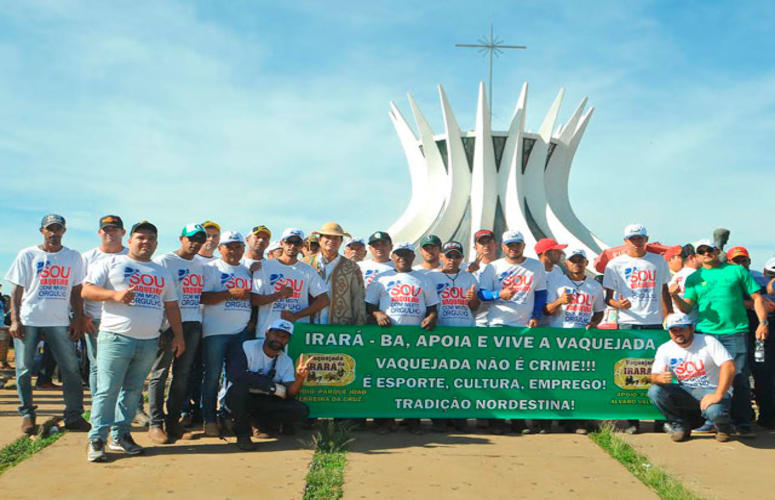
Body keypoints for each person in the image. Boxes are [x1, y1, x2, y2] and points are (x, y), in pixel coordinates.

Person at [82, 221, 185, 462]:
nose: (146, 242)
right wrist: (114, 295)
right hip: (115, 338)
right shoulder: (111, 263)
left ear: (156, 243)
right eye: (140, 237)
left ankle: (120, 436)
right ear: (129, 241)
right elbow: (86, 290)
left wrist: (179, 336)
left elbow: (171, 306)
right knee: (107, 390)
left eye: (151, 238)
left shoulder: (161, 272)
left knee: (132, 392)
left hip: (148, 341)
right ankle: (97, 439)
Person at [670, 239, 768, 437]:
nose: (706, 253)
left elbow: (757, 298)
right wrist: (674, 296)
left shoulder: (736, 271)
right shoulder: (694, 277)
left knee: (739, 377)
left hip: (735, 332)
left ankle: (742, 424)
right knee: (709, 378)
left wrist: (763, 322)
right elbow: (687, 307)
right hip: (706, 334)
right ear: (696, 256)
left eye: (709, 250)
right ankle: (714, 421)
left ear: (716, 251)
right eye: (701, 251)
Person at [4, 214, 89, 435]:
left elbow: (76, 291)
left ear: (64, 231)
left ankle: (74, 415)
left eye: (58, 229)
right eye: (50, 229)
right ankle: (27, 414)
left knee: (71, 368)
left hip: (59, 321)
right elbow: (17, 291)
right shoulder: (27, 254)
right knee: (23, 369)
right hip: (29, 319)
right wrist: (15, 320)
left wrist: (78, 318)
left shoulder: (73, 257)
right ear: (42, 231)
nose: (54, 233)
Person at [603, 224, 671, 434]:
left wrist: (669, 315)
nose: (637, 242)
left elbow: (664, 291)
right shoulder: (615, 264)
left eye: (640, 238)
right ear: (625, 241)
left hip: (654, 321)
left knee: (657, 369)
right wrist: (618, 304)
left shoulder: (658, 261)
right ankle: (632, 420)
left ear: (646, 239)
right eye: (633, 239)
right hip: (628, 322)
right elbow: (608, 298)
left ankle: (659, 418)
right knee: (629, 370)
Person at [365, 241, 439, 434]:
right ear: (393, 256)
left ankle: (412, 420)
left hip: (415, 339)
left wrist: (431, 317)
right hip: (387, 338)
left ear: (413, 257)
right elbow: (369, 304)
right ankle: (384, 420)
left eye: (406, 254)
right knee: (385, 380)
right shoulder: (381, 279)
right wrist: (377, 314)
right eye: (399, 254)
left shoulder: (423, 279)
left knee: (413, 381)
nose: (402, 258)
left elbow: (432, 308)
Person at [146, 223, 207, 444]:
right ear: (181, 238)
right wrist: (160, 326)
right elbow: (156, 294)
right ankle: (155, 423)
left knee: (182, 376)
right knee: (159, 374)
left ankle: (173, 422)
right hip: (168, 325)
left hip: (193, 324)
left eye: (200, 240)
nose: (195, 243)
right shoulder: (165, 261)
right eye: (191, 238)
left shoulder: (200, 264)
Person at [223, 319, 312, 451]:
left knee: (300, 410)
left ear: (288, 341)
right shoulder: (247, 347)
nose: (279, 339)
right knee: (238, 391)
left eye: (284, 337)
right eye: (276, 334)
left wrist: (300, 378)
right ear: (267, 333)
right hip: (241, 398)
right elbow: (235, 375)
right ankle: (243, 435)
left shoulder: (286, 361)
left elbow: (289, 393)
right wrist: (271, 386)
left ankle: (261, 423)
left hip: (263, 400)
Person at [543, 248, 605, 435]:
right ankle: (547, 421)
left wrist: (594, 323)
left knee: (577, 382)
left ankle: (575, 421)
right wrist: (559, 301)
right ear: (567, 263)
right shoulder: (557, 282)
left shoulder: (594, 286)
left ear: (586, 263)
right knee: (554, 381)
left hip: (581, 341)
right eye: (573, 260)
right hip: (559, 338)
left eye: (580, 260)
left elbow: (599, 311)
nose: (577, 263)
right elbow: (546, 310)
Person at [648, 313, 735, 443]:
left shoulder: (708, 341)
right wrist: (659, 378)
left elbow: (729, 366)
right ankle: (679, 426)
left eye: (682, 329)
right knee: (655, 391)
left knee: (715, 411)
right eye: (673, 330)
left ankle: (723, 427)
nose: (678, 333)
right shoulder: (664, 349)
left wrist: (718, 394)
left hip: (711, 390)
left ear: (692, 328)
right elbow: (653, 377)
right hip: (686, 390)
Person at [199, 230, 253, 437]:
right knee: (212, 376)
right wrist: (230, 293)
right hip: (216, 331)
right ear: (220, 248)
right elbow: (203, 297)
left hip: (241, 332)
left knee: (234, 378)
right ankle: (209, 419)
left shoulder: (246, 271)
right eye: (229, 247)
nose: (234, 251)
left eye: (238, 247)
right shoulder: (211, 268)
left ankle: (227, 415)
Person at [423, 241, 478, 433]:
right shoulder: (430, 277)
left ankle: (460, 417)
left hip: (464, 333)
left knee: (461, 379)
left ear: (462, 258)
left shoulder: (469, 277)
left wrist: (473, 300)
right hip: (440, 334)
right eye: (448, 256)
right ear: (441, 256)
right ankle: (439, 419)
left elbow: (475, 307)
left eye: (456, 256)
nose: (452, 260)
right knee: (439, 378)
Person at [725, 247, 775, 429]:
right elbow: (726, 299)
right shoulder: (725, 278)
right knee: (737, 374)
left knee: (763, 372)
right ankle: (742, 415)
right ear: (729, 262)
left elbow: (769, 298)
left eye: (744, 260)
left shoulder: (758, 277)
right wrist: (754, 304)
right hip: (735, 330)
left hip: (761, 328)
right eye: (736, 261)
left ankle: (767, 416)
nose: (741, 264)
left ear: (749, 261)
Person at [252, 229, 329, 342]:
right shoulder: (264, 267)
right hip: (267, 331)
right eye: (289, 241)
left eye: (297, 242)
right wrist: (279, 295)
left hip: (296, 332)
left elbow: (324, 300)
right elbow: (254, 299)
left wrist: (296, 316)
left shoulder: (307, 270)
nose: (293, 246)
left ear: (302, 246)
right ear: (282, 243)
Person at [81, 215, 129, 398]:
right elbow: (77, 289)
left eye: (114, 229)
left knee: (125, 365)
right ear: (99, 232)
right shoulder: (87, 257)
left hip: (125, 319)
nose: (110, 233)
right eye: (106, 229)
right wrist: (81, 316)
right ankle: (99, 406)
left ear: (123, 232)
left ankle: (129, 407)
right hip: (94, 318)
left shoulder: (130, 255)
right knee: (97, 365)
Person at [303, 222, 367, 326]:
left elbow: (358, 298)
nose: (331, 241)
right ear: (320, 240)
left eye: (336, 238)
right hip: (306, 326)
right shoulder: (305, 263)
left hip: (339, 328)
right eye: (327, 237)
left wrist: (359, 326)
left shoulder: (351, 267)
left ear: (341, 241)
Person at [467, 229, 499, 327]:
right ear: (475, 247)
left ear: (496, 245)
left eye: (489, 242)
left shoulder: (504, 266)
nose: (486, 245)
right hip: (475, 322)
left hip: (500, 321)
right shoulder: (467, 268)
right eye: (482, 243)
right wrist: (468, 272)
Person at [535, 237, 568, 326]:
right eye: (556, 251)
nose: (561, 253)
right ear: (545, 253)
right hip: (536, 325)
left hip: (554, 324)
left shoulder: (558, 269)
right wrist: (560, 301)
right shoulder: (534, 272)